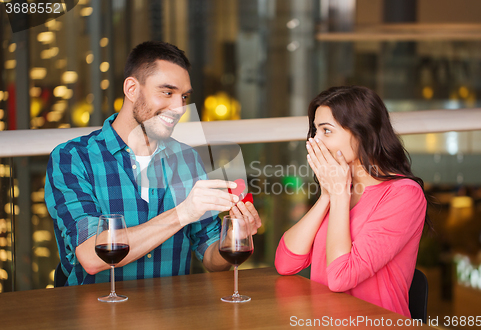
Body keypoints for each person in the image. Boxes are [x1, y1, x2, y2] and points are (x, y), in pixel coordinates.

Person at [45, 41, 261, 285]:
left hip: (171, 314)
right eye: (167, 93)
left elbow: (211, 257)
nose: (180, 108)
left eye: (184, 96)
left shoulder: (187, 159)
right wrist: (183, 213)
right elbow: (92, 257)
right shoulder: (73, 157)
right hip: (96, 315)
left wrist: (232, 237)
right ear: (132, 89)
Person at [274, 86, 428, 317]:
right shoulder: (340, 188)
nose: (316, 141)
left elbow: (340, 278)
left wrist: (337, 195)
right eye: (315, 131)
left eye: (326, 131)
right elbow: (285, 263)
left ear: (362, 133)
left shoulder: (404, 194)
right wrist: (327, 195)